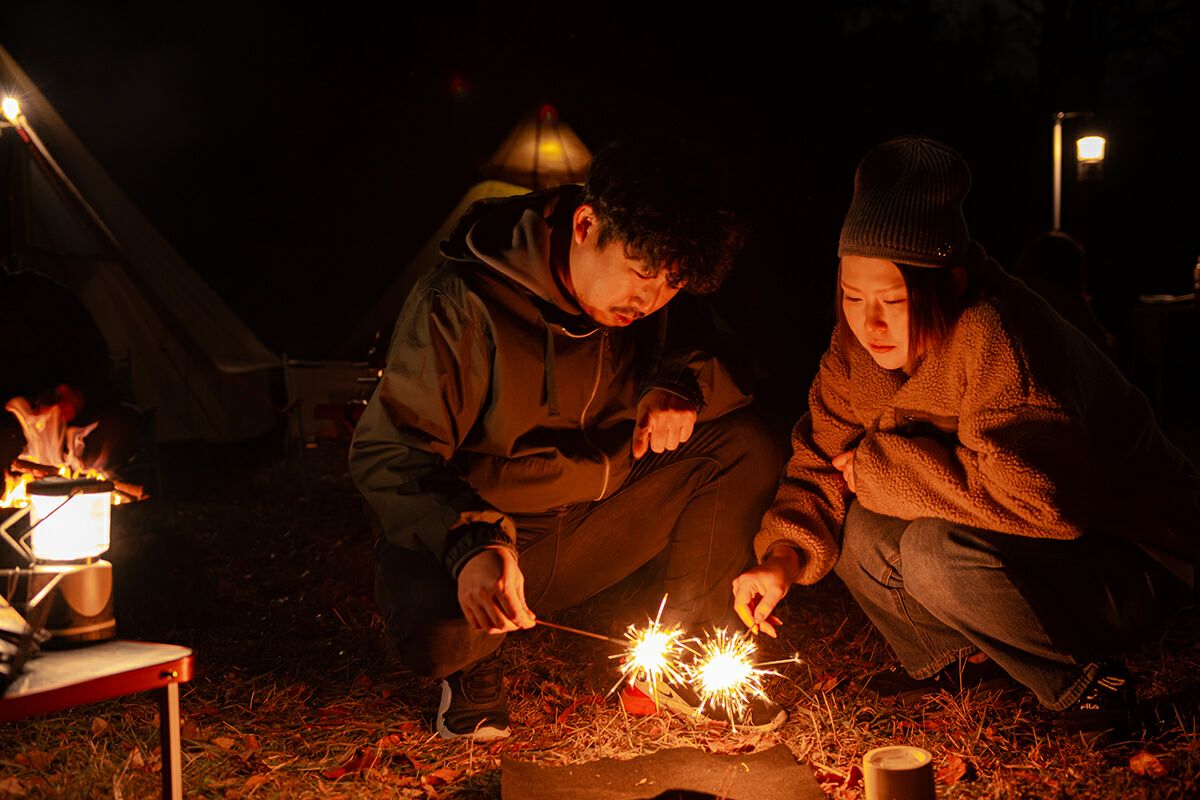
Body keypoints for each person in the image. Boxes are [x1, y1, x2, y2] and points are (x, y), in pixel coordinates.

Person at [732, 136, 1199, 734]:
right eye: (852, 297)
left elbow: (1046, 505)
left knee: (930, 552)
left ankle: (1086, 687)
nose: (869, 322)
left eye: (893, 300)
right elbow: (821, 461)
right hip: (1021, 555)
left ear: (948, 284)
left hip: (1130, 559)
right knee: (854, 526)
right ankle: (963, 663)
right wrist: (782, 557)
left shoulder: (1001, 337)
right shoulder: (853, 352)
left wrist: (882, 471)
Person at [350, 138, 786, 741]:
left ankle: (689, 652)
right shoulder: (462, 301)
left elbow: (708, 348)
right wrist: (473, 544)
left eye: (671, 284)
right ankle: (474, 669)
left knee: (746, 447)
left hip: (600, 513)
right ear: (586, 224)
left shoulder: (656, 296)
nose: (650, 298)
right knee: (438, 632)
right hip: (498, 530)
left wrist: (674, 384)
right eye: (640, 275)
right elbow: (391, 451)